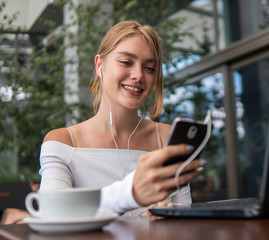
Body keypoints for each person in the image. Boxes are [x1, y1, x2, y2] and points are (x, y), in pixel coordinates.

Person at [38, 20, 205, 217]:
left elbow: (185, 218)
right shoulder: (62, 142)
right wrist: (130, 195)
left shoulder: (168, 139)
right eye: (126, 62)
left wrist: (165, 218)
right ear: (100, 65)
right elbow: (53, 212)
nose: (138, 75)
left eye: (150, 68)